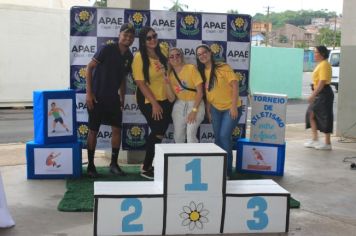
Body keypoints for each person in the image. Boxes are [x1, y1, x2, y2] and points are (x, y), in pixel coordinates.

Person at [85, 23, 135, 178]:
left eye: (131, 36)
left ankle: (114, 164)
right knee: (93, 130)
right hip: (97, 96)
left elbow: (122, 78)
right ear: (119, 35)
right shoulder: (107, 49)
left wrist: (122, 97)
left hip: (113, 98)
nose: (128, 38)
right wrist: (89, 93)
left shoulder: (129, 56)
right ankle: (91, 165)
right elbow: (89, 67)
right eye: (125, 35)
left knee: (117, 130)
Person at [132, 26, 173, 180]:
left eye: (154, 36)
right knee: (157, 131)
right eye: (148, 38)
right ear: (143, 41)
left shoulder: (162, 48)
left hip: (166, 98)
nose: (153, 40)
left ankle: (149, 164)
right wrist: (154, 103)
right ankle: (146, 166)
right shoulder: (138, 57)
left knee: (159, 132)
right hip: (148, 100)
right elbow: (140, 83)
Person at [196, 44, 242, 176]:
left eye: (204, 52)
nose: (202, 56)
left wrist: (233, 106)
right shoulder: (202, 72)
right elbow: (209, 94)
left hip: (230, 108)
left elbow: (235, 85)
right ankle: (218, 169)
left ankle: (227, 172)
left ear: (210, 53)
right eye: (199, 55)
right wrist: (209, 110)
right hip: (215, 109)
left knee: (224, 136)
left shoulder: (223, 67)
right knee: (217, 138)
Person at [167, 47, 205, 143]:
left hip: (195, 103)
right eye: (171, 56)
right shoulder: (170, 75)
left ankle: (193, 157)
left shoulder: (191, 68)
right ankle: (180, 157)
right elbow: (171, 99)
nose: (175, 58)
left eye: (177, 55)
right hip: (179, 104)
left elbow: (200, 92)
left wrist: (194, 111)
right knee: (178, 136)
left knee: (190, 134)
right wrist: (166, 83)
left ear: (182, 56)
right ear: (169, 60)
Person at [304, 45, 334, 150]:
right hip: (319, 92)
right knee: (311, 114)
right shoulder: (320, 64)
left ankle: (327, 143)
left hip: (324, 93)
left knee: (325, 116)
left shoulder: (325, 65)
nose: (314, 54)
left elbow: (322, 82)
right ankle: (315, 139)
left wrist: (313, 95)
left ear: (322, 54)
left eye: (316, 52)